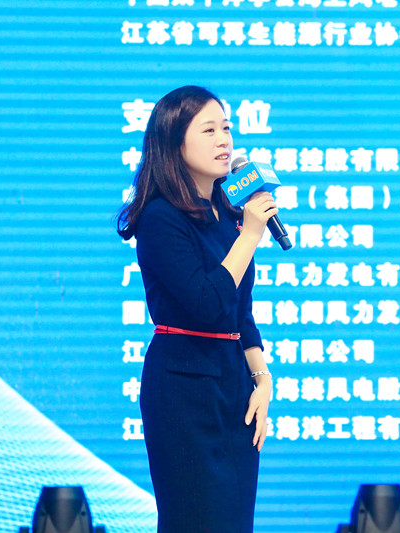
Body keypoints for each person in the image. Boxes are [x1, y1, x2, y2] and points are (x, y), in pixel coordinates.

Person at [117, 86, 275, 533]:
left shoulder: (227, 214)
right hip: (183, 387)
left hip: (234, 384)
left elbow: (239, 311)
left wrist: (261, 378)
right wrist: (250, 235)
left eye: (226, 127)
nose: (224, 139)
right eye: (209, 130)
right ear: (175, 143)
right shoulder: (160, 218)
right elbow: (206, 302)